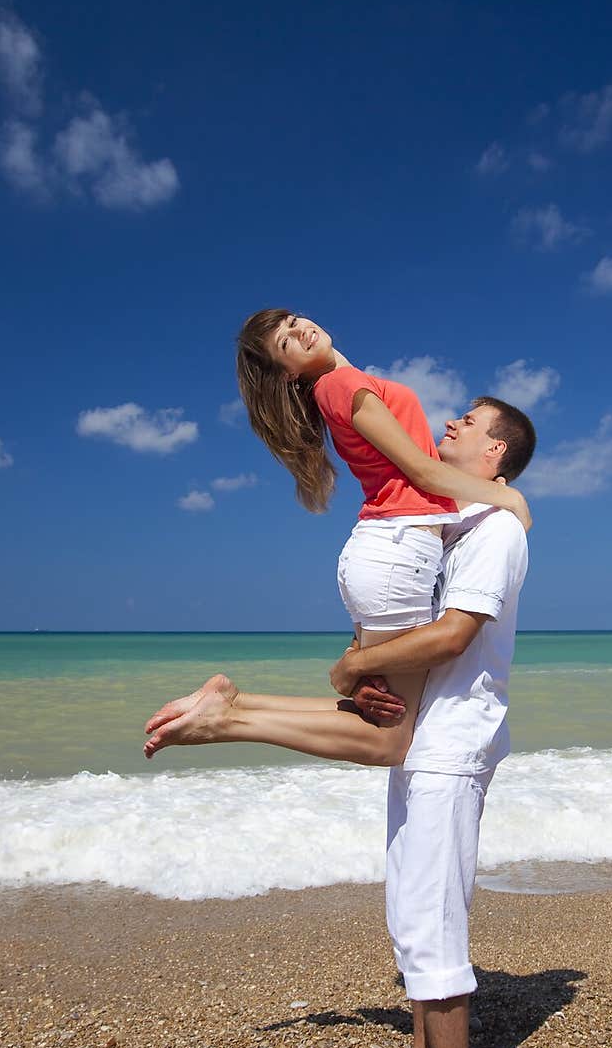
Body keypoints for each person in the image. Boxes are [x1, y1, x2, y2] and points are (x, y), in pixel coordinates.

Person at [144, 395, 534, 1048]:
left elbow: (455, 633)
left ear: (495, 455)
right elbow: (403, 630)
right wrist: (364, 676)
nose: (448, 426)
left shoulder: (496, 531)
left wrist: (350, 668)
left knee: (433, 923)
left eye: (467, 423)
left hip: (453, 747)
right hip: (419, 739)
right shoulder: (450, 525)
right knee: (408, 904)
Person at [144, 310, 529, 768]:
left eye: (293, 319)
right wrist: (509, 499)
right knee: (388, 741)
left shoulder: (341, 379)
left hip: (387, 552)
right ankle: (227, 721)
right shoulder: (341, 388)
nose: (299, 330)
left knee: (378, 709)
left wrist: (358, 662)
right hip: (396, 553)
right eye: (286, 342)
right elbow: (422, 471)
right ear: (288, 372)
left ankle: (236, 703)